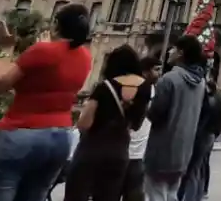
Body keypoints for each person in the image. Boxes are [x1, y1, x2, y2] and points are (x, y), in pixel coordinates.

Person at [0, 3, 92, 201]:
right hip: (60, 137)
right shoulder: (86, 57)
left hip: (20, 132)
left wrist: (6, 48)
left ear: (56, 25)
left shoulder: (42, 52)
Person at [65, 44, 151, 201]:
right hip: (120, 150)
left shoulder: (104, 87)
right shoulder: (145, 88)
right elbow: (137, 124)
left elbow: (84, 123)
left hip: (92, 148)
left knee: (77, 193)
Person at [144, 35, 207, 201]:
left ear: (180, 53)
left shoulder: (169, 79)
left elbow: (155, 114)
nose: (169, 51)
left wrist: (146, 107)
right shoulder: (201, 83)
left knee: (156, 193)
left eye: (173, 49)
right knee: (172, 194)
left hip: (161, 149)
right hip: (184, 150)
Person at [180, 77, 221, 201]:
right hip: (210, 134)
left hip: (204, 134)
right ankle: (200, 193)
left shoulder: (209, 101)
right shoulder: (218, 100)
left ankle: (192, 196)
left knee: (194, 169)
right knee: (201, 166)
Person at [124, 57, 162, 201]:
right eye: (156, 69)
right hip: (123, 150)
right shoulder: (132, 88)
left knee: (135, 194)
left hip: (139, 154)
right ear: (145, 71)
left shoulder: (154, 90)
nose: (160, 73)